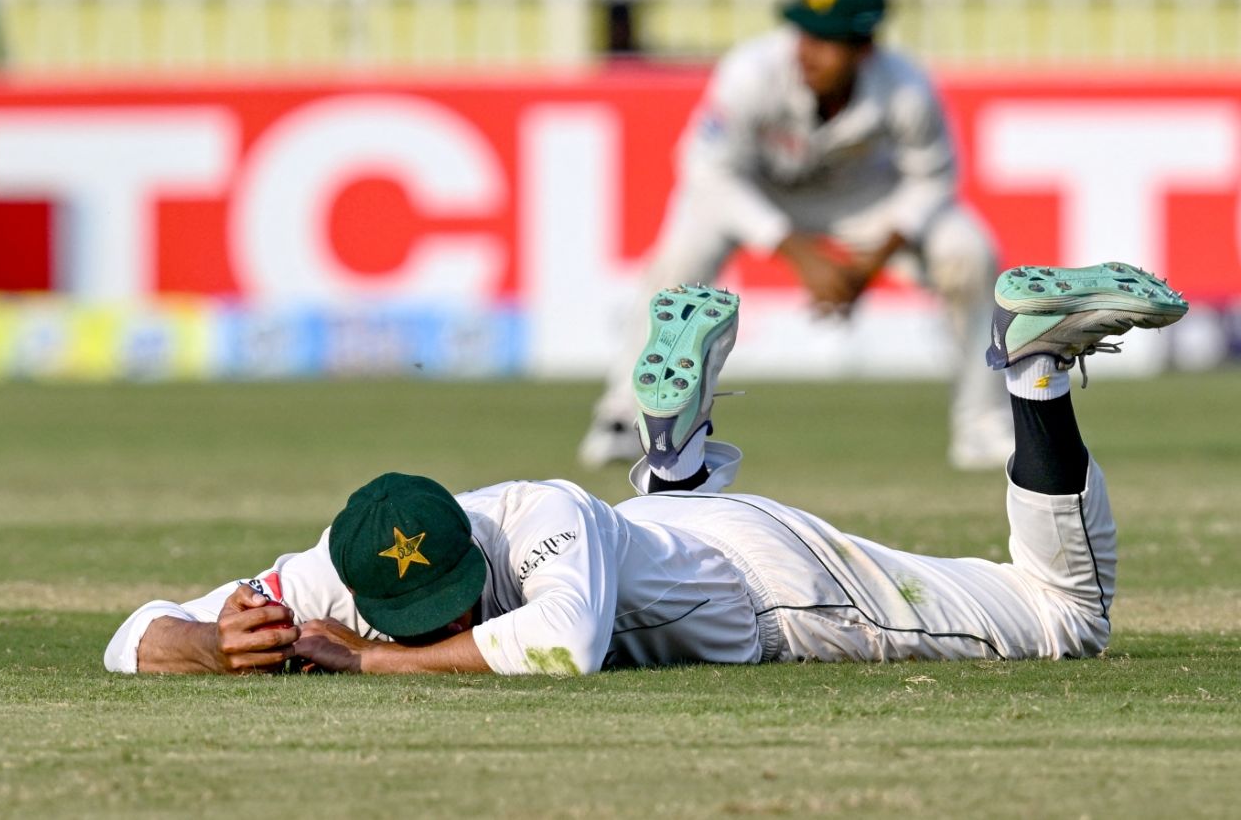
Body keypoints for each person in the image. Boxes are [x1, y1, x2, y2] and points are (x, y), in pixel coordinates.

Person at [104, 262, 1186, 676]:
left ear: (470, 545)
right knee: (647, 551)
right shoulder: (329, 574)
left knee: (1061, 618)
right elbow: (127, 636)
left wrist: (369, 665)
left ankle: (1033, 366)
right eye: (419, 614)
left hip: (777, 587)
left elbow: (562, 641)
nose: (440, 624)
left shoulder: (536, 516)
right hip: (674, 537)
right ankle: (673, 456)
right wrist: (208, 640)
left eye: (449, 599)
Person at [579, 0, 1013, 472]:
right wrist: (798, 252)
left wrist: (871, 261)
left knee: (969, 253)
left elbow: (934, 178)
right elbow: (707, 172)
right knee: (679, 258)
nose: (808, 51)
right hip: (760, 191)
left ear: (864, 48)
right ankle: (625, 417)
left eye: (829, 41)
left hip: (863, 200)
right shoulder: (753, 71)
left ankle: (983, 424)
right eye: (806, 32)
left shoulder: (905, 89)